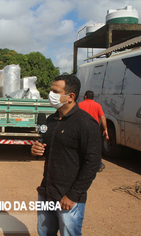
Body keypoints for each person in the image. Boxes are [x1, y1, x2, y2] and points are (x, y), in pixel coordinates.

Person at [31, 75, 101, 236]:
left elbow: (92, 163)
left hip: (68, 199)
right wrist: (36, 151)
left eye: (55, 91)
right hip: (47, 193)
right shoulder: (51, 120)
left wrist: (72, 195)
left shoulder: (85, 123)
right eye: (50, 90)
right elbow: (49, 152)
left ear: (70, 96)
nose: (51, 94)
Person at [78, 90, 109, 172]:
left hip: (82, 129)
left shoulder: (79, 105)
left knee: (81, 147)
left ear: (85, 96)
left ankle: (81, 165)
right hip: (94, 130)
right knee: (95, 148)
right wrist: (105, 129)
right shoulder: (97, 105)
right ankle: (99, 165)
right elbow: (102, 117)